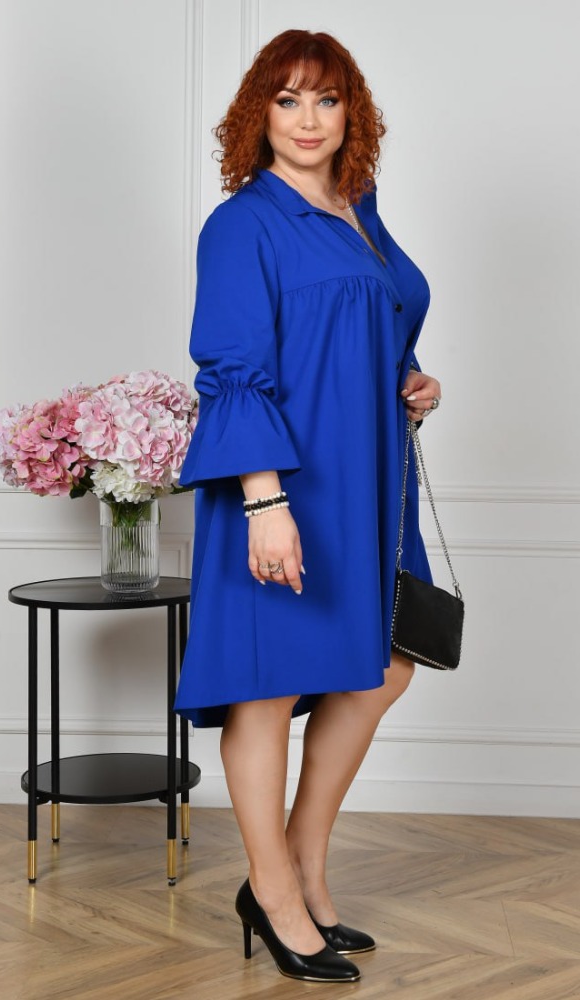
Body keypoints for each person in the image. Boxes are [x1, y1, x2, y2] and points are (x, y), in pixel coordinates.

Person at [174, 28, 441, 984]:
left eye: (326, 99)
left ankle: (301, 870)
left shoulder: (358, 207)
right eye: (287, 100)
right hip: (284, 483)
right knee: (269, 684)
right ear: (258, 113)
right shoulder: (242, 224)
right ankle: (276, 892)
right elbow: (232, 369)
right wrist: (263, 503)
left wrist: (412, 378)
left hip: (368, 477)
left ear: (351, 113)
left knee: (384, 666)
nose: (307, 119)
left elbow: (379, 320)